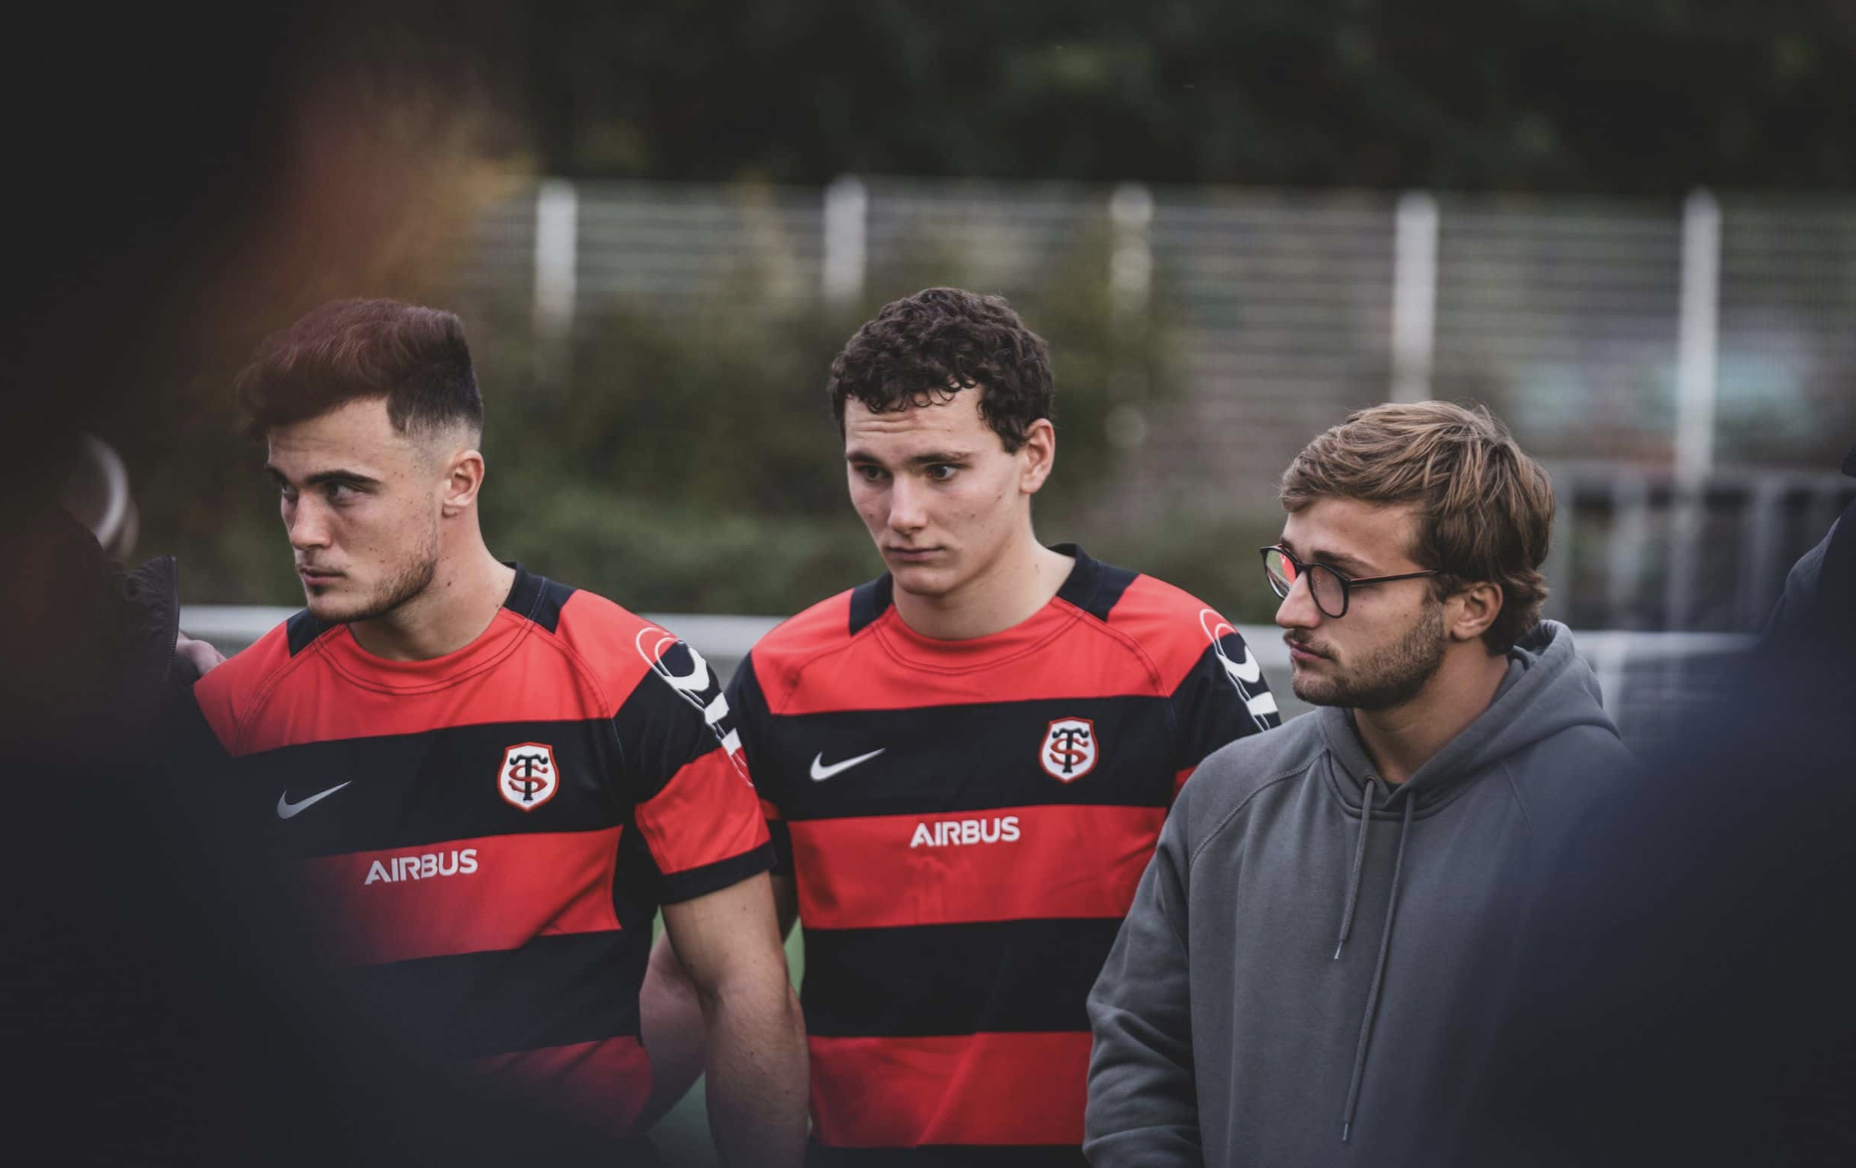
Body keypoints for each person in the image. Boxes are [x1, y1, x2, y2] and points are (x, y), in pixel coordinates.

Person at [642, 287, 1280, 1165]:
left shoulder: (1178, 658)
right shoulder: (786, 679)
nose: (902, 514)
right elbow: (706, 978)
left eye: (941, 469)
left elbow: (1276, 966)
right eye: (871, 471)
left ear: (1034, 455)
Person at [186, 299, 807, 1165]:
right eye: (286, 491)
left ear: (459, 481)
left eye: (343, 491)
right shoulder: (237, 712)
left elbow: (741, 986)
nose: (303, 532)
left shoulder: (633, 678)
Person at [1085, 401, 1634, 1166]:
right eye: (1293, 566)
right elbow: (1140, 1060)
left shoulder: (1613, 828)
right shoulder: (1227, 798)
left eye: (1342, 579)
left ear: (1472, 606)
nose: (1294, 610)